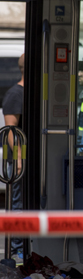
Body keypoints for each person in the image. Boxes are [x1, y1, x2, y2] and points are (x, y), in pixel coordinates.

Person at [2, 54, 24, 261]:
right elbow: (11, 130)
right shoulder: (15, 94)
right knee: (17, 205)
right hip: (19, 161)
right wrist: (19, 159)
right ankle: (17, 252)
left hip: (26, 160)